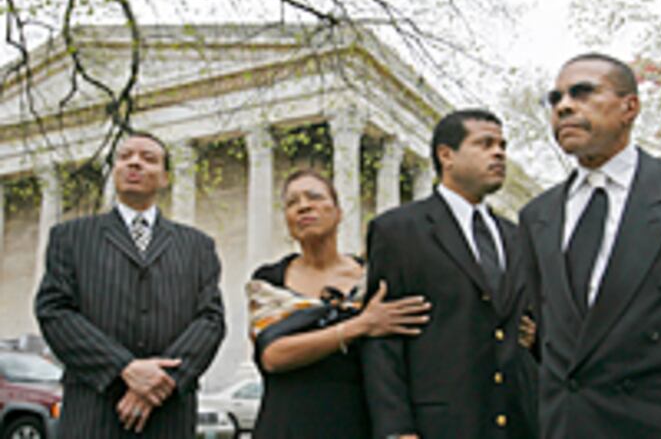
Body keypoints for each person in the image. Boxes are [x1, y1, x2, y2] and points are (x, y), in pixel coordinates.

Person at [519, 53, 661, 438]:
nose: (563, 106)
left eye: (582, 92)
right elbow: (550, 332)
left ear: (630, 107)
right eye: (555, 98)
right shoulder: (537, 215)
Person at [35, 131, 226, 438]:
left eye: (148, 159)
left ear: (164, 178)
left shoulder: (197, 246)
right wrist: (123, 368)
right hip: (92, 411)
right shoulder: (70, 237)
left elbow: (210, 320)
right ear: (114, 171)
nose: (134, 163)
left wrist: (161, 381)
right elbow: (54, 312)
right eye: (125, 157)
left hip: (169, 415)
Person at [362, 109, 538, 439]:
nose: (499, 153)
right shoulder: (398, 230)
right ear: (446, 155)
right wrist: (396, 428)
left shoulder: (517, 237)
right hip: (441, 425)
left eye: (502, 145)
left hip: (519, 421)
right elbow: (382, 338)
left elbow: (528, 326)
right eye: (485, 144)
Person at [247, 169, 431, 439]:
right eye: (292, 202)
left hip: (358, 422)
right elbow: (274, 356)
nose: (304, 206)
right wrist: (360, 325)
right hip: (287, 424)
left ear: (338, 212)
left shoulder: (371, 281)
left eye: (314, 197)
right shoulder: (268, 282)